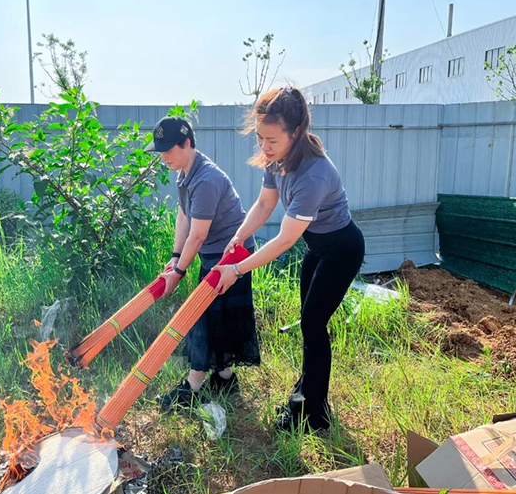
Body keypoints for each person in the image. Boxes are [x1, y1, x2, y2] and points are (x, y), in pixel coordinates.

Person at [213, 87, 365, 432]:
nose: (264, 148)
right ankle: (306, 396)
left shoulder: (314, 174)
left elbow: (283, 240)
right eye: (260, 138)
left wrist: (236, 270)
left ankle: (314, 416)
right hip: (317, 249)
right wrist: (239, 236)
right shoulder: (278, 160)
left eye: (272, 140)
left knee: (313, 324)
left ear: (295, 133)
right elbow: (264, 204)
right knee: (309, 323)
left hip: (342, 250)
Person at [145, 116, 260, 411]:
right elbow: (184, 216)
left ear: (187, 143)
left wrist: (179, 273)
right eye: (160, 151)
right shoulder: (185, 173)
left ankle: (193, 386)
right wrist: (174, 258)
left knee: (203, 319)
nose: (163, 157)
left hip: (232, 257)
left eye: (168, 150)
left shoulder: (206, 179)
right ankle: (225, 377)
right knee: (216, 317)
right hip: (215, 254)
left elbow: (198, 235)